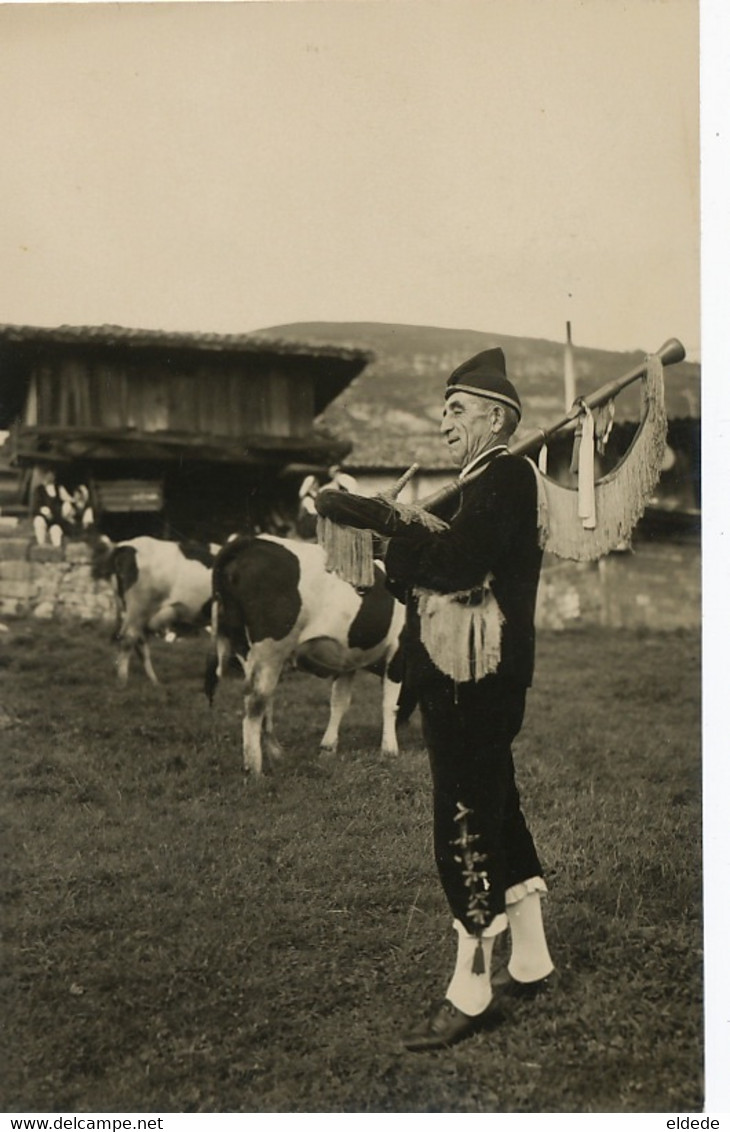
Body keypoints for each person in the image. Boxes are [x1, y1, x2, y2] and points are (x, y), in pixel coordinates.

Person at [381, 347, 554, 1051]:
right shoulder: (479, 483)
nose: (444, 420)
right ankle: (533, 960)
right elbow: (442, 566)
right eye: (445, 410)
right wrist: (414, 542)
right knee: (496, 805)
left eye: (457, 410)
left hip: (471, 680)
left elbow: (455, 566)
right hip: (462, 676)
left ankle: (472, 991)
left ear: (496, 417)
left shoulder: (505, 476)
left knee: (464, 822)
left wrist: (397, 542)